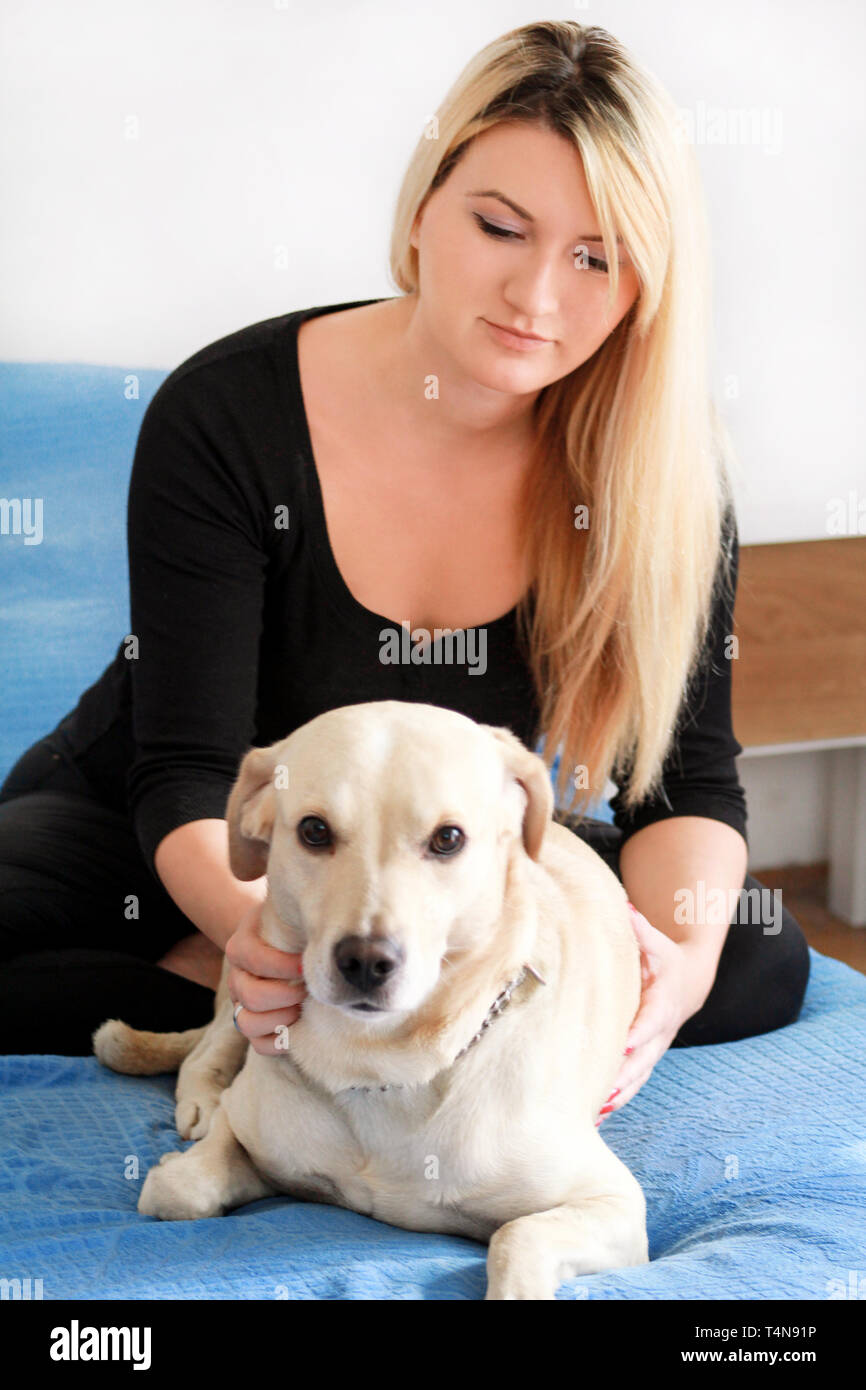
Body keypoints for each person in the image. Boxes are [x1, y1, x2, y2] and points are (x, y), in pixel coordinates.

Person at [0, 20, 809, 1121]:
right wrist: (264, 930)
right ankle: (209, 969)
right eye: (498, 227)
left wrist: (676, 978)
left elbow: (686, 784)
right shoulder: (228, 413)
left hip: (424, 864)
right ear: (425, 208)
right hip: (170, 828)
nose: (535, 295)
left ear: (641, 287)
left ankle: (263, 992)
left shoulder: (655, 475)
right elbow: (187, 769)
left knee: (749, 954)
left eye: (595, 256)